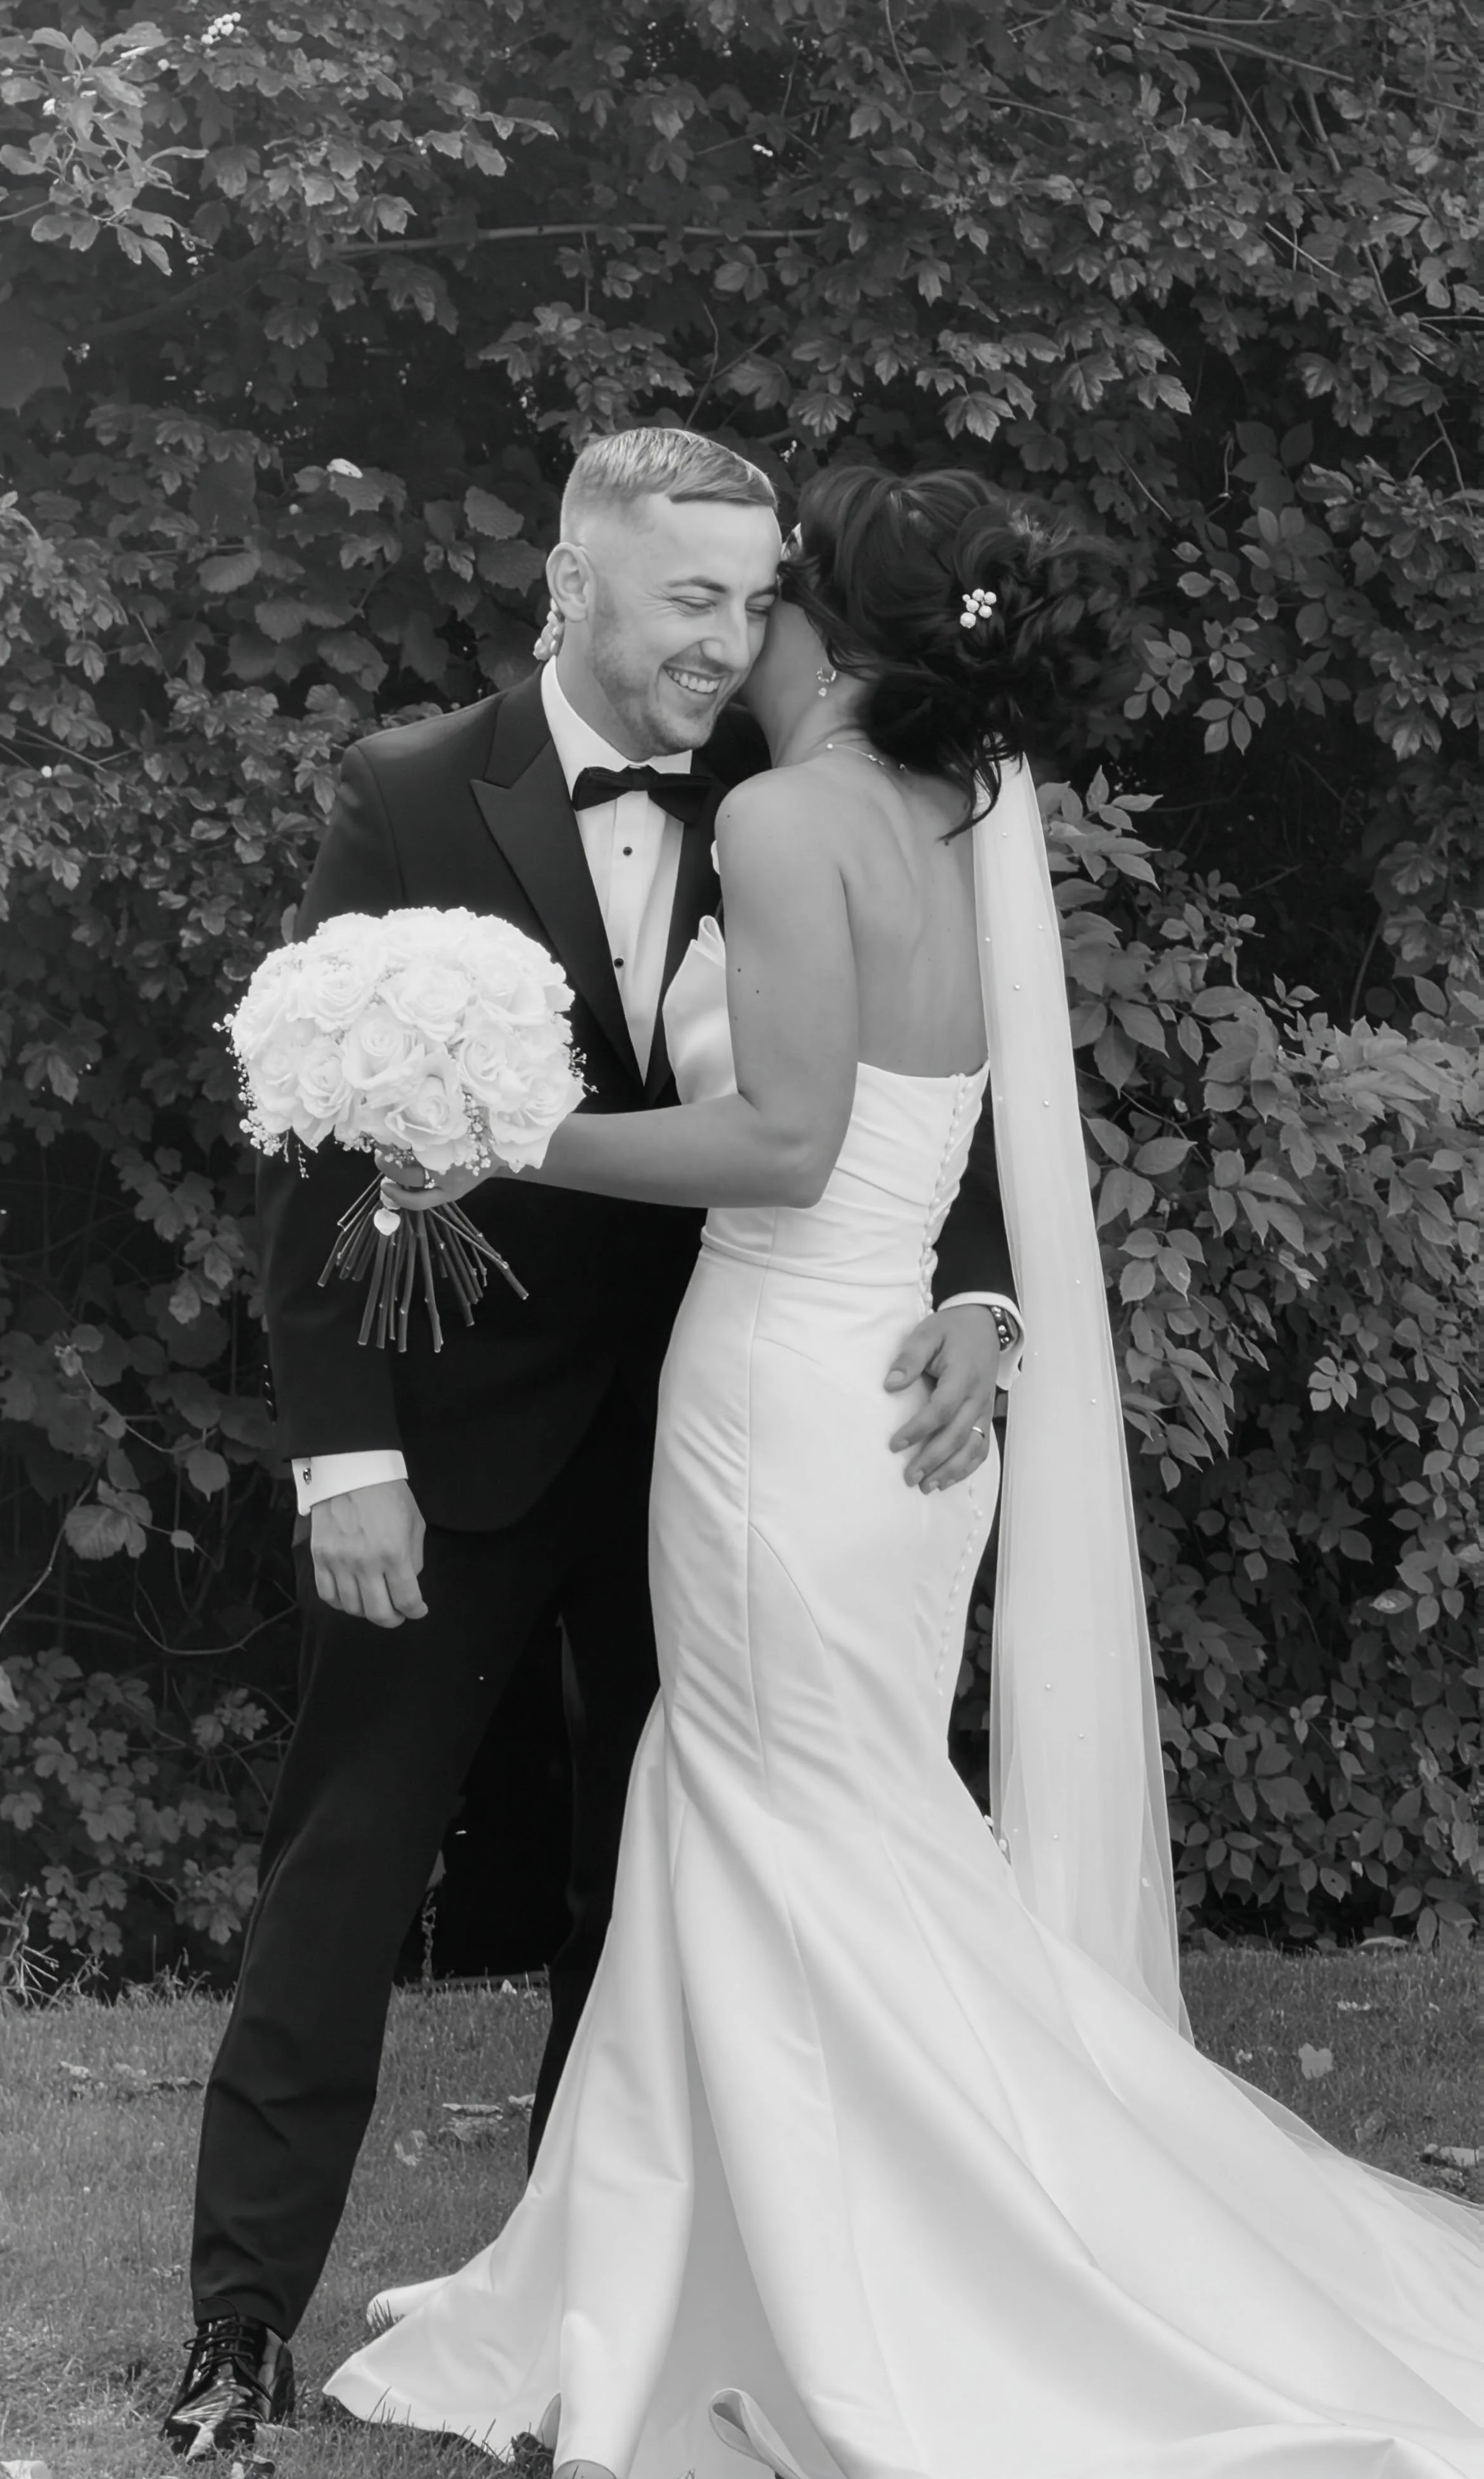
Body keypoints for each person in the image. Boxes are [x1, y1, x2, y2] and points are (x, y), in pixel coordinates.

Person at [327, 465, 1484, 2479]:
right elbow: (916, 1132)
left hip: (787, 1389)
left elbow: (781, 1143)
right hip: (894, 1406)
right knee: (827, 1821)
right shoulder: (951, 819)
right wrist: (980, 1302)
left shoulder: (783, 821)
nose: (732, 628)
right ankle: (734, 2245)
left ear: (823, 632)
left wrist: (505, 1133)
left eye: (765, 598)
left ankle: (891, 2279)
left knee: (785, 1823)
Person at [162, 433, 1022, 2457]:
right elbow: (311, 1150)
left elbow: (925, 1079)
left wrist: (979, 1293)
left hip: (730, 1444)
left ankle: (594, 2300)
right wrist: (341, 1455)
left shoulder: (799, 783)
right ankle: (233, 2328)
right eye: (685, 600)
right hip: (454, 1447)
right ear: (570, 588)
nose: (723, 643)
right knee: (346, 1876)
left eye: (751, 600)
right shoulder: (404, 789)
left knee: (644, 1897)